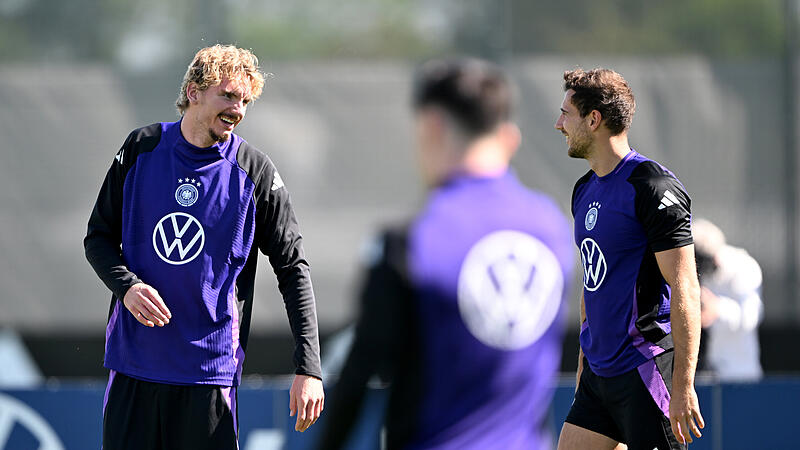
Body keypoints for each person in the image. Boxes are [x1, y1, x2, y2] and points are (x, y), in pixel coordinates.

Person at [318, 57, 574, 449]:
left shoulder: (412, 243)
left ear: (431, 126)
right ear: (509, 137)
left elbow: (358, 380)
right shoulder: (553, 230)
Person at [84, 45, 324, 450]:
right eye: (228, 96)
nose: (238, 109)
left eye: (245, 100)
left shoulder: (254, 172)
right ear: (194, 91)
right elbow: (98, 238)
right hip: (133, 369)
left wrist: (309, 368)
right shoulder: (140, 148)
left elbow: (293, 268)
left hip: (208, 377)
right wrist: (127, 287)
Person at [555, 68, 705, 450]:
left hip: (645, 372)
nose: (559, 124)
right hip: (597, 377)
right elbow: (594, 280)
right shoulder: (583, 190)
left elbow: (685, 285)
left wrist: (683, 385)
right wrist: (583, 364)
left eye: (566, 113)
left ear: (594, 119)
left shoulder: (652, 185)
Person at [693, 218, 764, 382]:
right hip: (698, 377)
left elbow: (750, 318)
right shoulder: (691, 269)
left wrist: (716, 310)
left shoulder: (743, 266)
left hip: (737, 375)